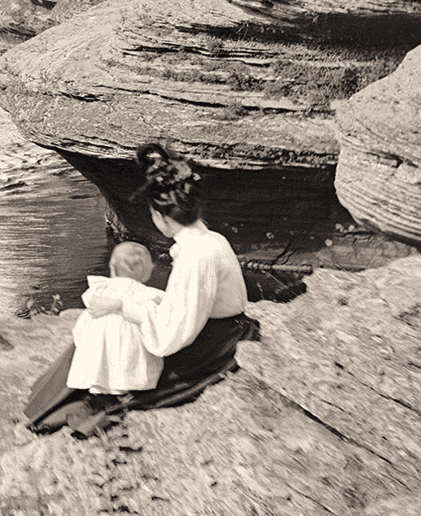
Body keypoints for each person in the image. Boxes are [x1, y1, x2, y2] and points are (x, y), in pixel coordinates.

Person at [25, 142, 257, 437]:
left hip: (215, 345)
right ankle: (62, 395)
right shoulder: (211, 239)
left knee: (112, 345)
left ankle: (53, 403)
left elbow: (171, 337)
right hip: (224, 330)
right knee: (113, 336)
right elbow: (184, 311)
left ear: (160, 217)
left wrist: (123, 308)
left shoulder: (195, 257)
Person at [66, 242, 167, 397]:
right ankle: (126, 387)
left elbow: (90, 303)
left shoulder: (102, 287)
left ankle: (97, 384)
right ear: (142, 269)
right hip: (126, 346)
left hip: (97, 344)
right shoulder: (146, 293)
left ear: (112, 267)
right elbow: (158, 313)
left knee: (95, 331)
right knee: (130, 344)